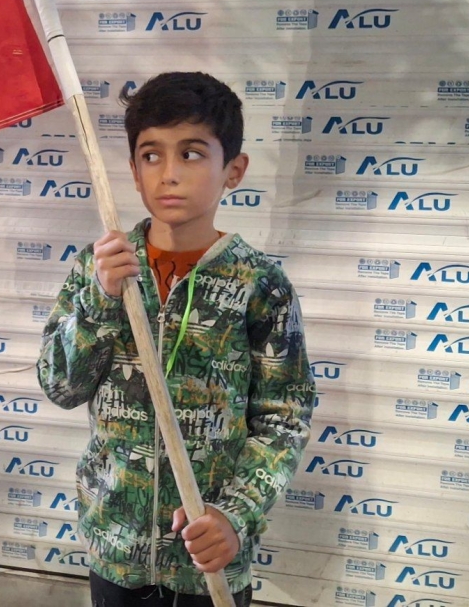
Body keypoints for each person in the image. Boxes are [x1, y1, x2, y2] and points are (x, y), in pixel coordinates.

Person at [37, 71, 315, 607]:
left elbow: (284, 418)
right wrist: (101, 298)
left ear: (233, 170)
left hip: (207, 561)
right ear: (133, 171)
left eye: (191, 154)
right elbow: (61, 386)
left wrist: (235, 516)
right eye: (151, 155)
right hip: (116, 550)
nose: (168, 174)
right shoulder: (100, 269)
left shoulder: (260, 283)